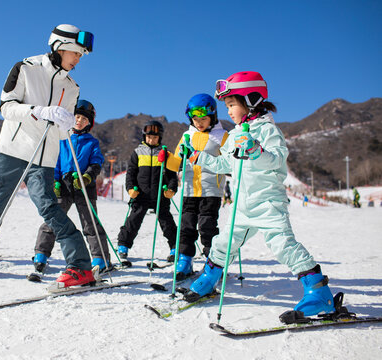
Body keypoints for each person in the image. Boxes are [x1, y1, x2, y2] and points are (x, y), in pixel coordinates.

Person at [182, 71, 335, 318]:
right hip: (242, 204)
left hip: (267, 203)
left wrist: (256, 150)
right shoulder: (234, 134)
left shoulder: (266, 130)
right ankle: (209, 278)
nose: (229, 111)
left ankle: (319, 294)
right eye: (227, 106)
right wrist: (198, 157)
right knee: (223, 243)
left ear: (251, 100)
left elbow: (277, 161)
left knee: (284, 246)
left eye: (232, 104)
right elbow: (227, 166)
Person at [0, 24, 97, 289]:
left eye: (80, 56)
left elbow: (64, 134)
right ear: (60, 47)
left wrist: (64, 123)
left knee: (48, 207)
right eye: (76, 53)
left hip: (43, 157)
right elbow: (6, 107)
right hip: (12, 149)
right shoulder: (26, 68)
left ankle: (79, 266)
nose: (78, 60)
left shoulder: (72, 87)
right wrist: (40, 111)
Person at [34, 100, 111, 273]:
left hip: (84, 185)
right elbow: (56, 163)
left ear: (89, 123)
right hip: (64, 184)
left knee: (90, 223)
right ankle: (41, 253)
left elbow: (97, 162)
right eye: (77, 117)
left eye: (84, 119)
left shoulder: (92, 142)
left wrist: (88, 176)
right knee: (53, 220)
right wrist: (54, 181)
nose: (79, 121)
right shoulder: (62, 139)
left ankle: (100, 258)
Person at [159, 94, 228, 280]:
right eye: (196, 119)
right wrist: (167, 159)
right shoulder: (187, 135)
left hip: (211, 191)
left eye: (204, 119)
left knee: (207, 227)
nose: (199, 123)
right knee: (186, 227)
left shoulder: (222, 136)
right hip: (189, 190)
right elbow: (177, 164)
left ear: (213, 117)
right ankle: (185, 260)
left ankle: (213, 263)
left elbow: (229, 163)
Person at [116, 120, 178, 262]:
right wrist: (130, 188)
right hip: (141, 194)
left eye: (155, 137)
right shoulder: (137, 152)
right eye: (149, 137)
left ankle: (175, 246)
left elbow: (172, 175)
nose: (151, 139)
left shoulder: (164, 154)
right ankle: (123, 245)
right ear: (144, 137)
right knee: (133, 220)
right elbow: (130, 173)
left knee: (167, 222)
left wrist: (171, 189)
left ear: (159, 138)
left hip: (160, 195)